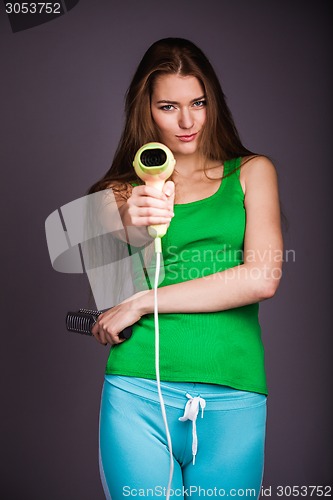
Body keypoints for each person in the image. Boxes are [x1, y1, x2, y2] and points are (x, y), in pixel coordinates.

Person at [89, 37, 283, 499]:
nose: (188, 120)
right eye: (168, 106)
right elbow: (110, 275)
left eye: (198, 102)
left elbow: (262, 276)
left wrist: (142, 303)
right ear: (146, 110)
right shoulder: (119, 193)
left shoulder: (253, 173)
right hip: (138, 390)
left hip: (234, 390)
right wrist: (131, 221)